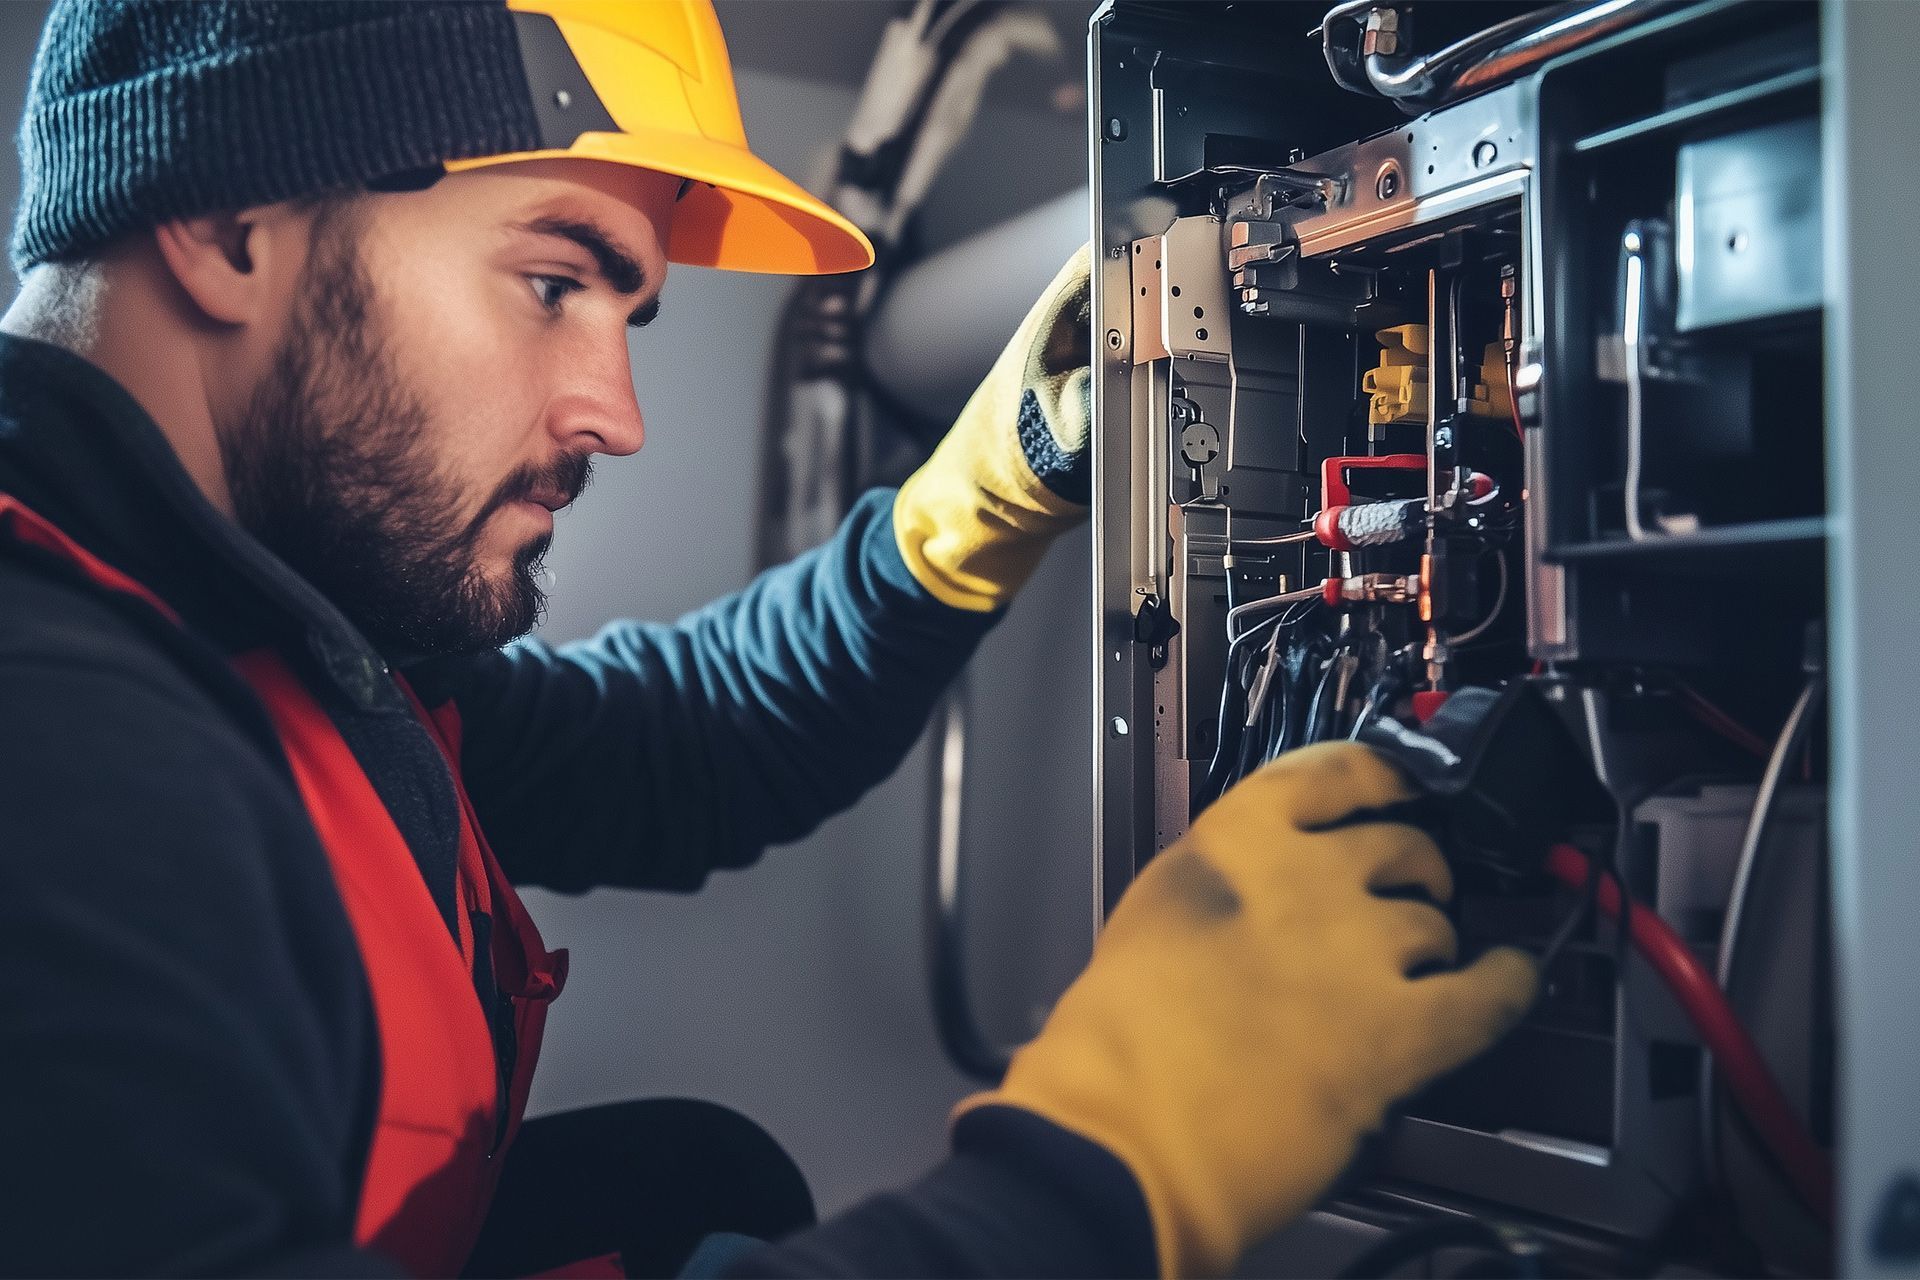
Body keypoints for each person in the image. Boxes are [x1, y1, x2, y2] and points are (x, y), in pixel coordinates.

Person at [0, 2, 1538, 1276]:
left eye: (625, 317)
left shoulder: (259, 628)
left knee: (684, 1190)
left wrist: (969, 501)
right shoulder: (58, 751)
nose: (617, 413)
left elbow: (676, 747)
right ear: (226, 221)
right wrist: (1111, 1174)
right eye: (552, 282)